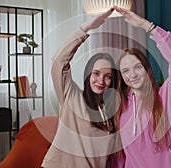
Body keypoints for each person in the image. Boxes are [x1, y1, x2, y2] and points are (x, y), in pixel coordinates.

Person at [113, 6, 171, 167]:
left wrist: (148, 27)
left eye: (137, 67)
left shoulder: (167, 95)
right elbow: (121, 155)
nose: (132, 74)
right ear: (121, 76)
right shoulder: (121, 106)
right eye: (126, 70)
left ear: (147, 69)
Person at [42, 8, 120, 167]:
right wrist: (85, 28)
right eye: (96, 73)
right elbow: (58, 61)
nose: (101, 81)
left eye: (108, 76)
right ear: (88, 75)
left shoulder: (112, 111)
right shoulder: (72, 97)